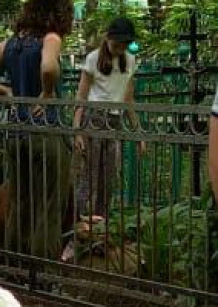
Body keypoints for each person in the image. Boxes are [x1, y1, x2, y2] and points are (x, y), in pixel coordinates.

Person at [0, 0, 75, 260]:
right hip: (46, 132)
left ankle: (15, 265)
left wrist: (6, 91)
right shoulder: (51, 38)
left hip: (16, 134)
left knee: (20, 202)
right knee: (48, 206)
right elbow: (48, 67)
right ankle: (42, 268)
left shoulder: (11, 44)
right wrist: (47, 92)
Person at [73, 17, 143, 225]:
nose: (120, 48)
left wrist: (138, 133)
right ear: (108, 38)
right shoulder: (93, 58)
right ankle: (75, 222)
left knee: (109, 178)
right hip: (94, 119)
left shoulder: (129, 60)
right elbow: (81, 96)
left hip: (115, 120)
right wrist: (77, 130)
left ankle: (101, 225)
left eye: (124, 44)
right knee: (89, 177)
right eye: (116, 43)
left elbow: (128, 99)